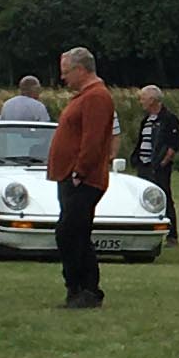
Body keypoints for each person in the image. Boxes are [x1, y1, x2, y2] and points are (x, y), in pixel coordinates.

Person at [43, 47, 117, 308]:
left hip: (82, 179)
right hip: (72, 176)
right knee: (75, 233)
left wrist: (80, 171)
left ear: (80, 69)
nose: (63, 78)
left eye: (66, 72)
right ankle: (81, 289)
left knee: (70, 233)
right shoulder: (85, 96)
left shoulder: (96, 97)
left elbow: (93, 139)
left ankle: (84, 288)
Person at [128, 85, 179, 245]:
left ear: (152, 100)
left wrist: (163, 162)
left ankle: (172, 235)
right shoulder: (146, 120)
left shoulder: (168, 119)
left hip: (158, 167)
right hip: (144, 165)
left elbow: (173, 144)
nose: (141, 101)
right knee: (143, 198)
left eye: (143, 98)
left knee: (164, 197)